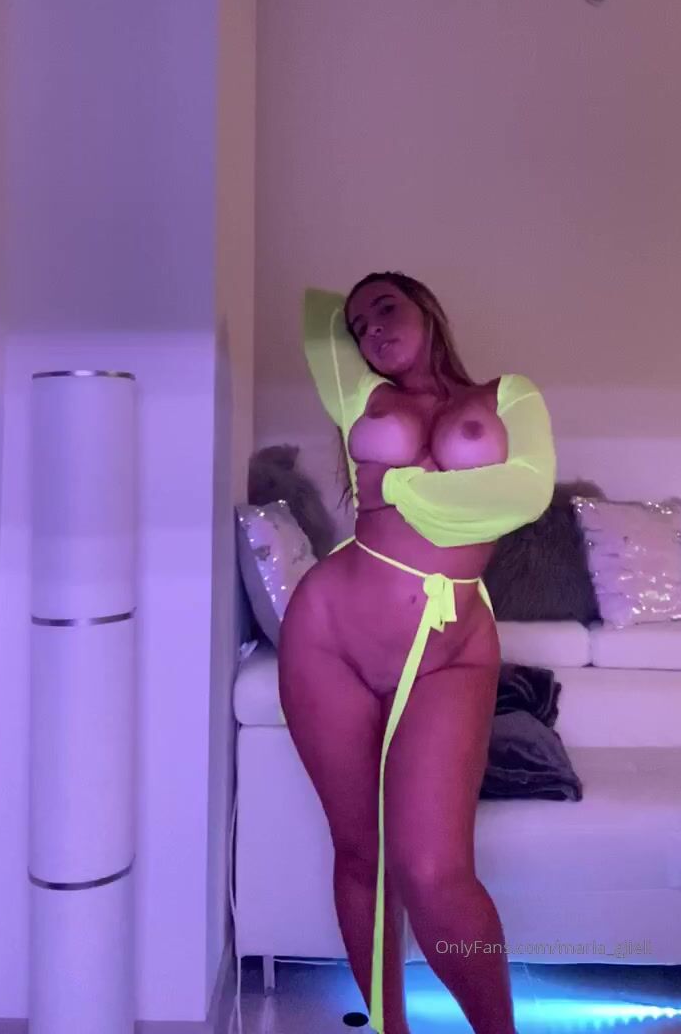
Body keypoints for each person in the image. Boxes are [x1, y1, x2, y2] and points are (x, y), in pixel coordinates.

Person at [278, 272, 556, 1034]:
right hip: (329, 637)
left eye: (388, 308)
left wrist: (405, 491)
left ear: (427, 308)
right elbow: (315, 312)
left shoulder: (506, 396)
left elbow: (524, 492)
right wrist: (353, 328)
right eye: (360, 325)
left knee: (433, 872)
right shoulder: (361, 396)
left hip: (449, 650)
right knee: (360, 855)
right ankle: (388, 1028)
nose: (371, 328)